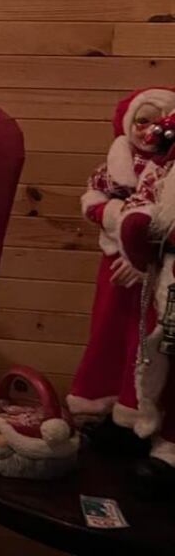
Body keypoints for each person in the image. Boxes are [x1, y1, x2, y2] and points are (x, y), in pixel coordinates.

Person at [69, 87, 175, 444]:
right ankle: (102, 406)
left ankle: (136, 419)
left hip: (153, 271)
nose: (148, 129)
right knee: (107, 334)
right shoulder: (115, 164)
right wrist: (114, 216)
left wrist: (144, 257)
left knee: (142, 342)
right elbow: (91, 200)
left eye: (156, 121)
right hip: (114, 263)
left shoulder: (168, 168)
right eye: (141, 120)